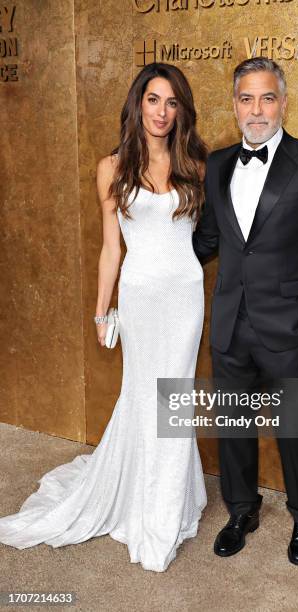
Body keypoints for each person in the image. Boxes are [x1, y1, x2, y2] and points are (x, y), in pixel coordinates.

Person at [0, 62, 208, 573]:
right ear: (138, 103)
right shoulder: (111, 168)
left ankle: (166, 508)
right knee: (144, 393)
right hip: (139, 299)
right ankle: (146, 503)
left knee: (173, 395)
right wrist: (100, 312)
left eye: (172, 102)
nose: (162, 111)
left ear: (182, 111)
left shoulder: (196, 165)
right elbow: (111, 249)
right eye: (154, 99)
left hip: (185, 295)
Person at [193, 57, 298, 565]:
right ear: (234, 104)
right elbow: (208, 241)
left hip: (289, 326)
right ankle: (241, 510)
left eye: (266, 98)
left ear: (283, 103)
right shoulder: (217, 164)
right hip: (230, 323)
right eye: (246, 98)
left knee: (294, 429)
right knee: (234, 427)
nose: (256, 110)